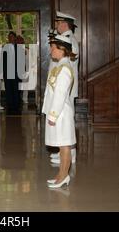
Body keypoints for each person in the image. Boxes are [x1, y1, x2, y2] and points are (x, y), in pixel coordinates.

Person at [42, 35, 77, 188]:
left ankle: (63, 176)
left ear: (62, 50)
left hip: (61, 114)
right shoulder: (60, 65)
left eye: (53, 47)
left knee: (65, 146)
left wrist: (53, 115)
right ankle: (61, 175)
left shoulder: (64, 69)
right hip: (59, 112)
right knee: (63, 146)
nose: (51, 50)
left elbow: (60, 95)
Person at [50, 11, 79, 165]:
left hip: (66, 87)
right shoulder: (64, 39)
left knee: (66, 123)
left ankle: (70, 154)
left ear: (64, 24)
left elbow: (68, 64)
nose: (56, 25)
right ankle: (64, 152)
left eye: (58, 23)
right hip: (60, 86)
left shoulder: (69, 40)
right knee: (61, 123)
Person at [3, 32, 21, 115]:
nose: (10, 38)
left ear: (15, 38)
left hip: (16, 72)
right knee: (8, 89)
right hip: (7, 72)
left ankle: (16, 106)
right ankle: (9, 106)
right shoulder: (5, 47)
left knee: (15, 89)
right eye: (9, 37)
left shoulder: (19, 48)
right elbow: (2, 62)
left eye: (12, 36)